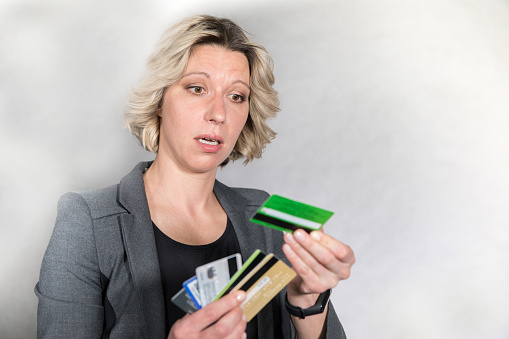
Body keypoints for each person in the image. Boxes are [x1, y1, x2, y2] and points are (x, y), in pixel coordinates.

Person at [35, 15, 355, 339]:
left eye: (236, 96)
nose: (218, 114)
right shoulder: (86, 220)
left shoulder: (268, 215)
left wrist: (308, 304)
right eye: (197, 88)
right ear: (160, 100)